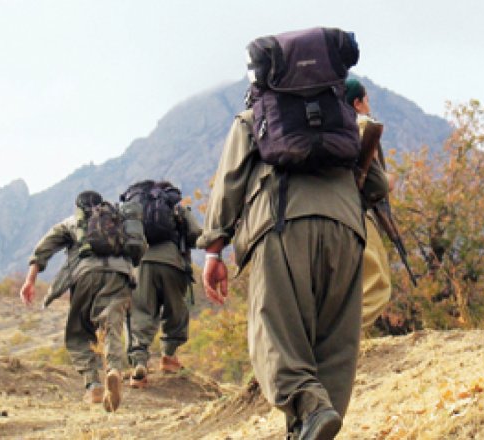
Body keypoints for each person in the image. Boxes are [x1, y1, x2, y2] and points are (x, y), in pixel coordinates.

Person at [198, 97, 388, 438]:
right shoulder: (344, 115)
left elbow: (229, 184)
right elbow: (376, 186)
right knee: (334, 344)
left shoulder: (252, 119)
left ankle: (310, 408)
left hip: (282, 225)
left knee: (274, 333)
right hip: (346, 231)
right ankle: (311, 425)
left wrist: (214, 251)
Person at [19, 190, 135, 412]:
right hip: (119, 275)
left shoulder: (72, 222)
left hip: (85, 275)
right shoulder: (117, 221)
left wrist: (30, 280)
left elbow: (44, 248)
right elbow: (138, 247)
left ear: (78, 207)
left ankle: (93, 386)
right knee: (112, 326)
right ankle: (114, 370)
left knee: (79, 333)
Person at [127, 181, 202, 388]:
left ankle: (139, 366)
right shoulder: (175, 205)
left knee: (142, 312)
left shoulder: (138, 209)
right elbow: (195, 233)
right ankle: (168, 357)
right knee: (175, 310)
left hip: (141, 264)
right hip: (172, 262)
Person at [344, 78, 393, 330]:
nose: (369, 105)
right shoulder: (362, 126)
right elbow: (376, 184)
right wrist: (388, 180)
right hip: (355, 213)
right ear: (357, 103)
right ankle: (340, 342)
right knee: (377, 285)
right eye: (366, 100)